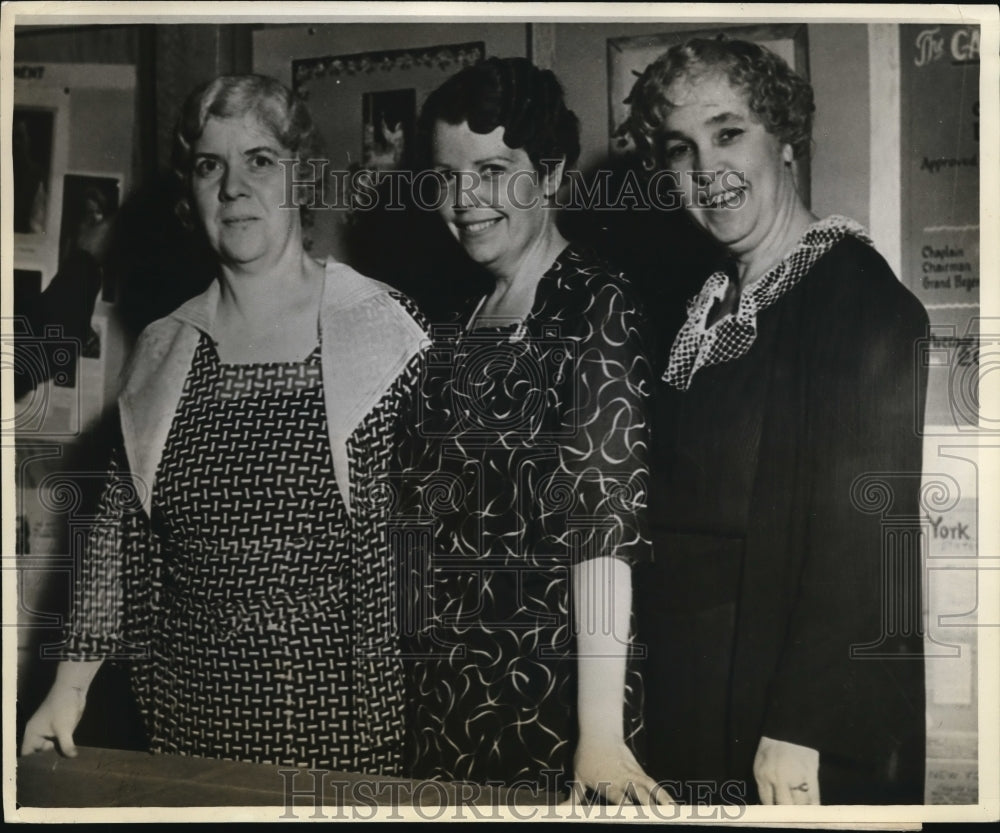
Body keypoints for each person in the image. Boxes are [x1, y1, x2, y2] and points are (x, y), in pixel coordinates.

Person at [20, 74, 427, 775]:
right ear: (191, 193)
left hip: (347, 730)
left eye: (260, 160)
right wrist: (69, 686)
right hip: (187, 723)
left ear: (300, 179)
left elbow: (437, 548)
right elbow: (118, 531)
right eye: (211, 165)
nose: (234, 186)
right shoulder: (162, 347)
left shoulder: (386, 329)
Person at [622, 36, 928, 805]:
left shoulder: (857, 300)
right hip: (696, 696)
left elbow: (867, 540)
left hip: (785, 722)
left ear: (785, 136)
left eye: (729, 134)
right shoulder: (707, 305)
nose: (706, 171)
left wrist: (802, 726)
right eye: (679, 148)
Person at [395, 57, 664, 804]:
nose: (465, 198)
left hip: (553, 702)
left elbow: (604, 529)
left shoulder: (593, 302)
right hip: (445, 697)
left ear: (548, 175)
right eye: (445, 176)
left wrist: (602, 734)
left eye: (492, 170)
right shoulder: (461, 316)